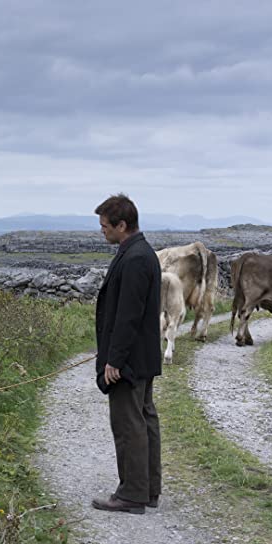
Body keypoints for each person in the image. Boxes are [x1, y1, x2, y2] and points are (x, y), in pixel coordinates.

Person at [91, 194, 162, 515]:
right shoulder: (141, 252)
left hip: (129, 361)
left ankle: (132, 494)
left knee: (129, 424)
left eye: (105, 226)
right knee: (144, 420)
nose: (102, 230)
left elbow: (128, 316)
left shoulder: (134, 259)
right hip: (142, 356)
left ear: (122, 225)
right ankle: (148, 489)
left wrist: (114, 360)